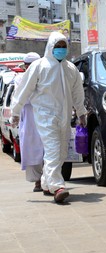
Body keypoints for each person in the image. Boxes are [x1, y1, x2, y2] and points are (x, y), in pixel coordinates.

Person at [10, 31, 87, 203]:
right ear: (50, 47)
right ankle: (57, 186)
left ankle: (46, 182)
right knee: (52, 148)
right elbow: (24, 90)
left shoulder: (70, 68)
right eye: (57, 47)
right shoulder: (40, 66)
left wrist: (81, 112)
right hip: (45, 117)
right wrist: (16, 111)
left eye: (63, 47)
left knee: (61, 152)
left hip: (64, 116)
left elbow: (77, 93)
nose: (60, 50)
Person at [12, 52, 44, 192]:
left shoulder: (45, 77)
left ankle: (48, 179)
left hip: (45, 116)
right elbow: (22, 98)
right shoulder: (20, 79)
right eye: (27, 65)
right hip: (29, 119)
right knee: (31, 149)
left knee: (48, 149)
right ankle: (37, 181)